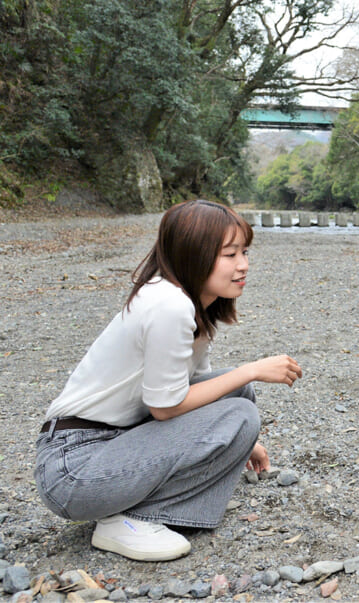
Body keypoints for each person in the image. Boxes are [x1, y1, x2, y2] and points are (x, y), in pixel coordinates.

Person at [35, 200, 303, 561]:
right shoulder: (169, 305)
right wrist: (252, 369)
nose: (243, 265)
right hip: (73, 470)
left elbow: (191, 390)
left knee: (237, 397)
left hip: (112, 442)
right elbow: (166, 407)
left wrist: (242, 443)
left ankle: (138, 504)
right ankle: (128, 519)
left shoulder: (189, 304)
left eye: (244, 252)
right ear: (193, 254)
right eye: (229, 254)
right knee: (241, 407)